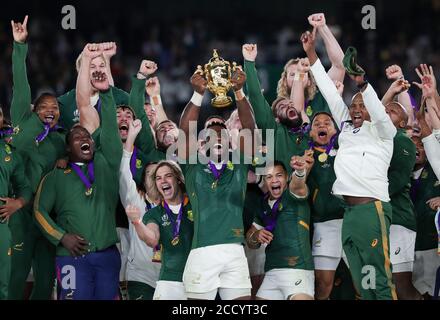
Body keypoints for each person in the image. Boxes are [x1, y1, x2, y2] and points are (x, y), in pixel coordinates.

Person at [303, 27, 397, 300]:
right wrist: (310, 53)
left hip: (372, 210)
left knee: (379, 276)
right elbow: (330, 93)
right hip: (350, 214)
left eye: (361, 106)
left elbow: (378, 112)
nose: (355, 110)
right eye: (353, 106)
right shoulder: (345, 129)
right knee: (362, 277)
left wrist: (362, 85)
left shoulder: (383, 132)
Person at [33, 44, 122, 300]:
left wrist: (106, 92)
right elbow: (39, 211)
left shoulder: (106, 163)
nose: (84, 137)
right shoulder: (56, 176)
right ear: (67, 148)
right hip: (71, 256)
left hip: (107, 255)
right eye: (76, 136)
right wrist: (62, 237)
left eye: (87, 135)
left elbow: (110, 133)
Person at [178, 64, 255, 300]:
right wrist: (198, 94)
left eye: (221, 129)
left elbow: (250, 128)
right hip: (202, 253)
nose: (216, 133)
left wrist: (239, 92)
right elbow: (185, 131)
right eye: (210, 131)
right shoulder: (192, 165)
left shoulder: (240, 162)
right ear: (201, 142)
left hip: (235, 251)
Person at [8, 16, 66, 300]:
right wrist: (20, 46)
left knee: (45, 279)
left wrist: (64, 161)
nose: (50, 110)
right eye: (44, 107)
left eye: (55, 107)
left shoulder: (58, 141)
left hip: (44, 215)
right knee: (16, 274)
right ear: (33, 109)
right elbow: (21, 82)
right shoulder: (22, 118)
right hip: (17, 212)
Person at [246, 156, 314, 300]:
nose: (274, 180)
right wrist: (256, 235)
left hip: (298, 270)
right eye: (269, 177)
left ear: (287, 177)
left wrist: (300, 172)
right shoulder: (262, 204)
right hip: (271, 273)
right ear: (265, 181)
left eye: (279, 175)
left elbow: (298, 186)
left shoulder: (292, 194)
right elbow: (251, 243)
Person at [125, 160, 193, 300]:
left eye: (168, 176)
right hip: (170, 280)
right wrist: (137, 222)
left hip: (199, 278)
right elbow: (152, 238)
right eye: (158, 178)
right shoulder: (154, 214)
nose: (163, 180)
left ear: (178, 179)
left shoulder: (195, 205)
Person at [382, 79, 422, 299]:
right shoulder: (378, 140)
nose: (387, 111)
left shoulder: (403, 141)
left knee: (402, 285)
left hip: (398, 219)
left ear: (402, 123)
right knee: (384, 283)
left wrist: (368, 196)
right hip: (379, 218)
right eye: (385, 109)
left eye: (394, 111)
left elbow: (396, 183)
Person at [243, 44, 310, 175]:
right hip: (280, 191)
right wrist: (249, 62)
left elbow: (297, 106)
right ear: (277, 119)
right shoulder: (274, 131)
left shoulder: (308, 130)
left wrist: (301, 73)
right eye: (282, 107)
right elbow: (256, 97)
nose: (289, 105)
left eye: (290, 104)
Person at [307, 111, 348, 300]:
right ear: (310, 133)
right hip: (324, 225)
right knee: (323, 284)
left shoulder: (348, 150)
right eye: (316, 124)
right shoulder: (306, 157)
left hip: (352, 221)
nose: (322, 126)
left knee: (363, 279)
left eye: (327, 123)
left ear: (336, 130)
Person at [119, 118, 161, 300]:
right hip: (140, 276)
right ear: (143, 180)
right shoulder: (135, 199)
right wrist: (130, 138)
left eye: (160, 175)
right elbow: (124, 172)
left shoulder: (175, 204)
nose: (156, 178)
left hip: (170, 276)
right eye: (151, 174)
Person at [277, 13, 345, 122]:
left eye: (303, 73)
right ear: (284, 81)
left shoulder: (322, 97)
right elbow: (297, 110)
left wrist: (322, 27)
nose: (297, 77)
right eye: (293, 74)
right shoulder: (279, 108)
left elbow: (339, 66)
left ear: (309, 81)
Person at [57, 42, 129, 132]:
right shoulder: (65, 102)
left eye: (102, 66)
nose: (98, 70)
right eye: (92, 66)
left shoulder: (121, 98)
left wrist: (106, 58)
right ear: (81, 72)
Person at [0, 107, 32, 300]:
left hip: (1, 222)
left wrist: (18, 203)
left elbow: (24, 187)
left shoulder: (9, 151)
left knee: (3, 282)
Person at [410, 136, 440, 299]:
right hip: (406, 247)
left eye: (420, 145)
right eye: (411, 145)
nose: (416, 149)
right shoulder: (397, 174)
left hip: (431, 245)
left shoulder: (437, 171)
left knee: (431, 293)